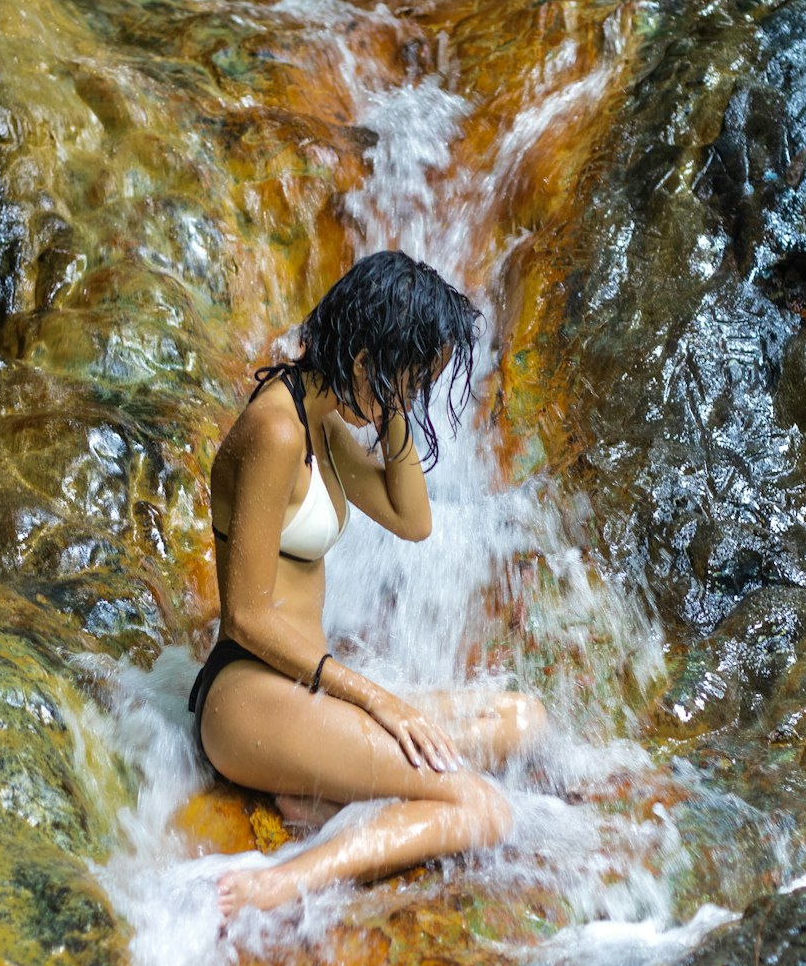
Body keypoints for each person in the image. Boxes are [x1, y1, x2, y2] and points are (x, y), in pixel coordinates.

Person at [189, 250, 547, 917]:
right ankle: (286, 879)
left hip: (308, 693)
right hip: (248, 698)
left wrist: (393, 411)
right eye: (408, 380)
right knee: (481, 806)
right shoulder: (275, 428)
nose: (412, 397)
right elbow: (245, 618)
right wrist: (382, 703)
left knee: (522, 719)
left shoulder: (321, 422)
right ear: (364, 360)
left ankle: (324, 795)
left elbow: (412, 519)